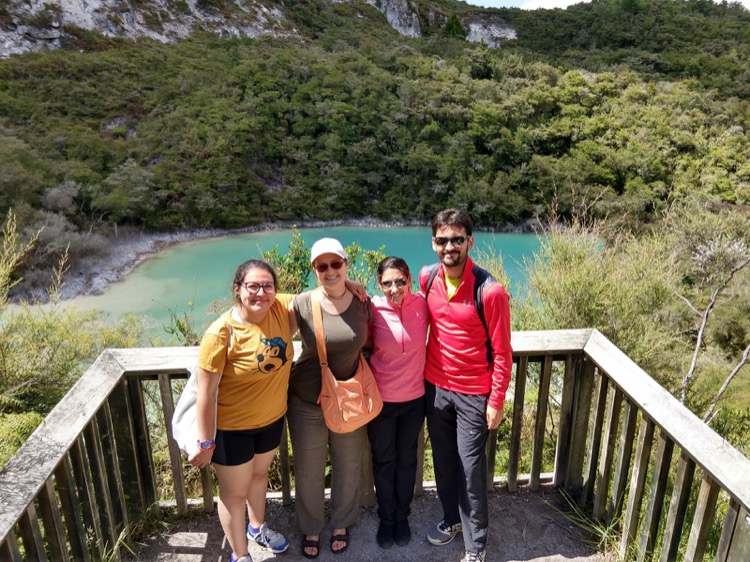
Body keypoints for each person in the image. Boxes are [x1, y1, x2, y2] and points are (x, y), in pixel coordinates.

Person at [418, 209, 513, 562]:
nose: (449, 247)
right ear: (433, 243)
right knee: (443, 461)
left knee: (471, 468)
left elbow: (503, 351)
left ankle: (476, 544)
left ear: (470, 242)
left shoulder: (491, 291)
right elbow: (406, 310)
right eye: (442, 240)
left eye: (457, 239)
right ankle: (450, 519)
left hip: (475, 393)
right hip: (435, 387)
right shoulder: (427, 278)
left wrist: (496, 399)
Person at [189, 259, 292, 562]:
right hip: (232, 429)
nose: (261, 292)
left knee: (259, 477)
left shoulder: (280, 308)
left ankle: (257, 528)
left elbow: (321, 295)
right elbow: (205, 392)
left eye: (268, 285)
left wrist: (352, 285)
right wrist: (206, 442)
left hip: (272, 420)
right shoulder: (221, 333)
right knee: (234, 493)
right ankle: (240, 554)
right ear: (238, 289)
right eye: (253, 286)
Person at [286, 237, 372, 559]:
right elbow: (267, 320)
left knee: (348, 463)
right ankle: (310, 526)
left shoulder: (362, 300)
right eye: (322, 266)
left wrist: (351, 283)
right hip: (307, 399)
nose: (330, 270)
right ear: (314, 270)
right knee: (308, 468)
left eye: (336, 264)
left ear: (346, 264)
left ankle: (342, 522)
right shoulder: (302, 303)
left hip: (348, 397)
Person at [367, 256, 429, 549]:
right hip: (381, 402)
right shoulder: (372, 310)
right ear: (379, 284)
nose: (395, 288)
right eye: (387, 283)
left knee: (407, 460)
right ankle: (386, 518)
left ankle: (402, 517)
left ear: (409, 281)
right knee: (383, 461)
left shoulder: (423, 305)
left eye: (400, 281)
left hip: (415, 398)